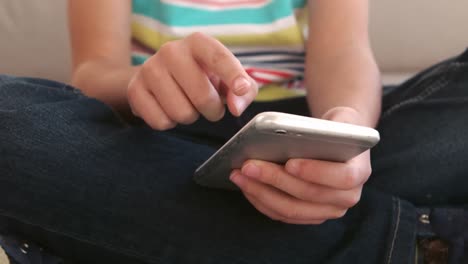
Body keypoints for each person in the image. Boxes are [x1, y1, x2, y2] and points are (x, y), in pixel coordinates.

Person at [0, 0, 466, 263]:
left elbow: (343, 55)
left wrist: (347, 130)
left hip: (305, 133)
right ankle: (422, 243)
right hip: (159, 139)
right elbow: (94, 72)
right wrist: (140, 82)